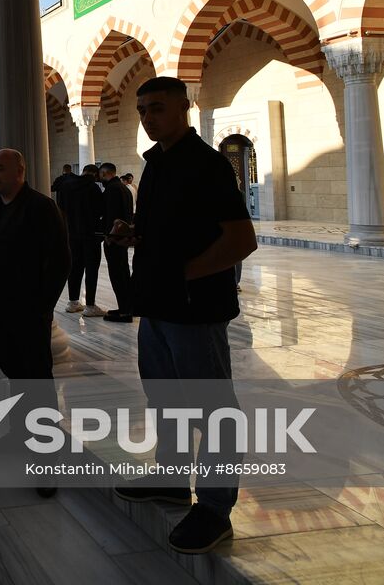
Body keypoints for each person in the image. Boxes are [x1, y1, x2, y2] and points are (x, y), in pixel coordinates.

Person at [108, 76, 256, 554]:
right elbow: (168, 234)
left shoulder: (207, 165)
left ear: (183, 108)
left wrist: (185, 274)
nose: (148, 118)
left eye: (156, 108)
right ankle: (172, 478)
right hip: (157, 307)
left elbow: (240, 240)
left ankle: (214, 507)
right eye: (143, 110)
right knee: (167, 399)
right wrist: (135, 234)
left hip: (194, 310)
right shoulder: (157, 164)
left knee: (213, 410)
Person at [0, 148, 70, 496]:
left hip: (29, 312)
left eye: (0, 169)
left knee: (37, 382)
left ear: (20, 169)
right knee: (16, 375)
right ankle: (19, 434)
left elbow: (60, 262)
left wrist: (43, 307)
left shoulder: (41, 208)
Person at [64, 163, 105, 316]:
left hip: (72, 234)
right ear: (95, 175)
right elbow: (100, 210)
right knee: (91, 269)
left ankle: (73, 302)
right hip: (90, 234)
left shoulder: (68, 188)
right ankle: (90, 305)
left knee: (74, 268)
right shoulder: (93, 188)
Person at [99, 162, 135, 322]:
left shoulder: (112, 190)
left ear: (105, 173)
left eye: (101, 175)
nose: (100, 179)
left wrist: (110, 236)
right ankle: (126, 307)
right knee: (122, 272)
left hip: (115, 239)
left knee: (117, 274)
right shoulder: (124, 188)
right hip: (122, 238)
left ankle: (125, 312)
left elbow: (112, 215)